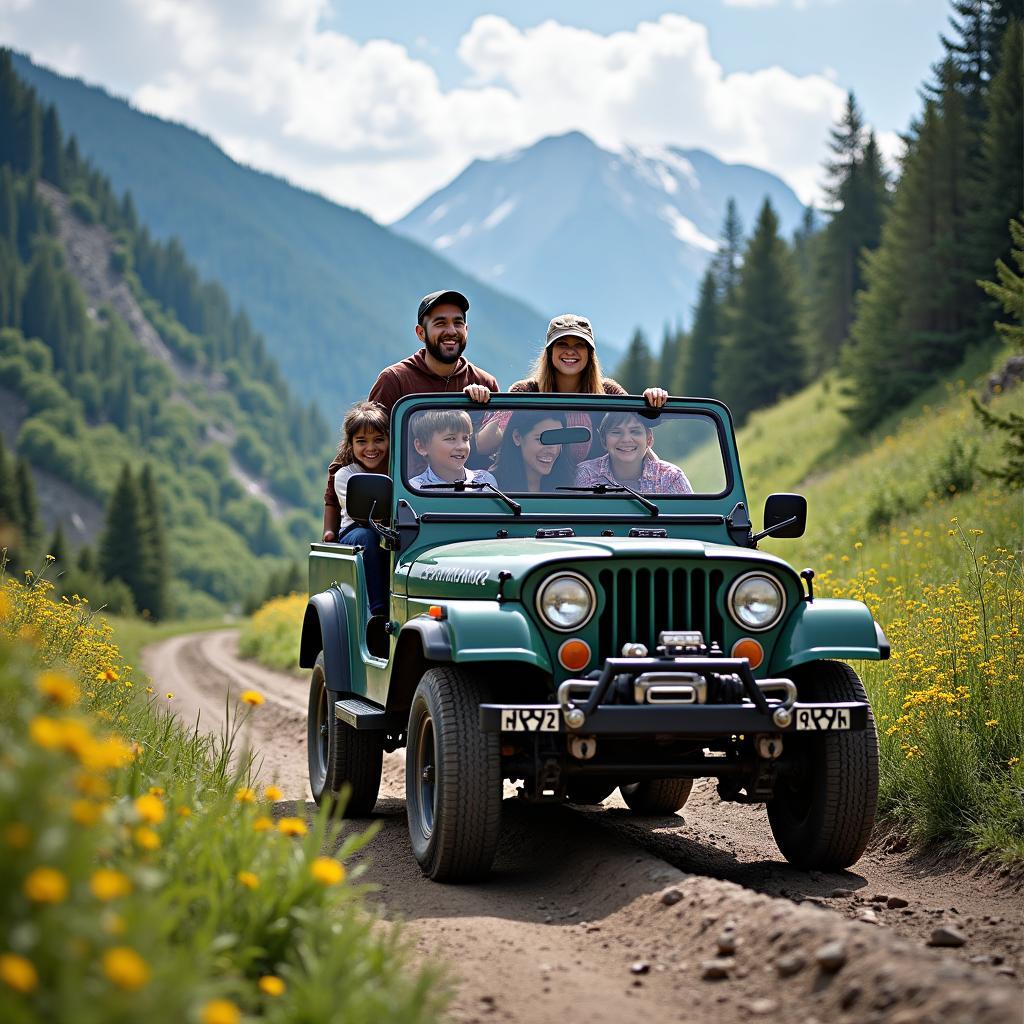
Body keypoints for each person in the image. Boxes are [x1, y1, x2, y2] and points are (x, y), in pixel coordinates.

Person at [322, 289, 499, 540]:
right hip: (407, 511)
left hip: (465, 510)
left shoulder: (483, 383)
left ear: (467, 330)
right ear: (420, 333)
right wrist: (330, 525)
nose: (451, 330)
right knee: (371, 541)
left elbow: (493, 452)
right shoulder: (396, 381)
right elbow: (361, 442)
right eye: (440, 323)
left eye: (458, 323)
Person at [475, 313, 669, 461]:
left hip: (600, 499)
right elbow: (484, 447)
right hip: (534, 498)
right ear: (549, 352)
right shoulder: (526, 391)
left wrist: (651, 399)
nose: (570, 351)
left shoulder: (608, 392)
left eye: (579, 344)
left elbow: (637, 443)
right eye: (562, 344)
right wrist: (509, 410)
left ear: (589, 353)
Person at [576, 411, 693, 494]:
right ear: (603, 440)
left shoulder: (670, 477)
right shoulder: (585, 475)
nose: (626, 439)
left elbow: (691, 523)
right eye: (616, 432)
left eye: (635, 432)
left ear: (649, 440)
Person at [408, 409, 498, 489]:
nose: (462, 446)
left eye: (465, 438)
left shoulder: (486, 481)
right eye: (451, 439)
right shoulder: (415, 488)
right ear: (421, 447)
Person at [491, 410, 575, 493]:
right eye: (541, 439)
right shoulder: (489, 486)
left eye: (557, 439)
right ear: (517, 437)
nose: (553, 449)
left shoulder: (568, 486)